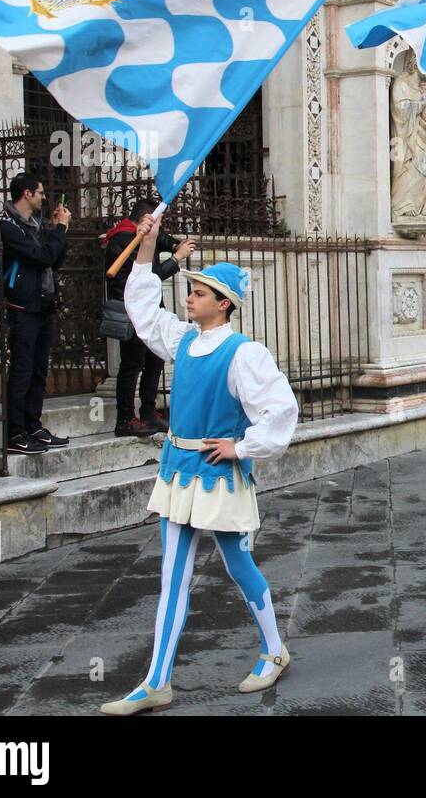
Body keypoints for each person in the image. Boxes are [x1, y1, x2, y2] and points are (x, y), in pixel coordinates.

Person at [100, 213, 300, 715]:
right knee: (172, 577)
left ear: (224, 304)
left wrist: (242, 447)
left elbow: (281, 411)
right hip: (176, 471)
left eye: (201, 292)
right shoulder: (182, 339)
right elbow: (143, 308)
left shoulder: (244, 353)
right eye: (191, 290)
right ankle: (156, 682)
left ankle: (274, 650)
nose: (189, 297)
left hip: (217, 475)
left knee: (238, 564)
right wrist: (146, 247)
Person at [103, 200, 196, 438]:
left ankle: (148, 411)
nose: (160, 228)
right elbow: (147, 280)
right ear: (147, 219)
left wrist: (175, 243)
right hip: (134, 311)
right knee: (132, 363)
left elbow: (162, 239)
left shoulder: (142, 234)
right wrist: (176, 260)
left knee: (155, 359)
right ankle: (124, 418)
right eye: (158, 221)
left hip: (151, 309)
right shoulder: (124, 240)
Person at [0, 172, 72, 455]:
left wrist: (57, 230)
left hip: (43, 304)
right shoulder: (7, 226)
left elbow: (53, 260)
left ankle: (33, 425)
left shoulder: (37, 224)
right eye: (40, 193)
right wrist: (61, 230)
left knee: (39, 369)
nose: (44, 198)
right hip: (23, 307)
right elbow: (41, 256)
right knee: (22, 369)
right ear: (27, 194)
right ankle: (15, 432)